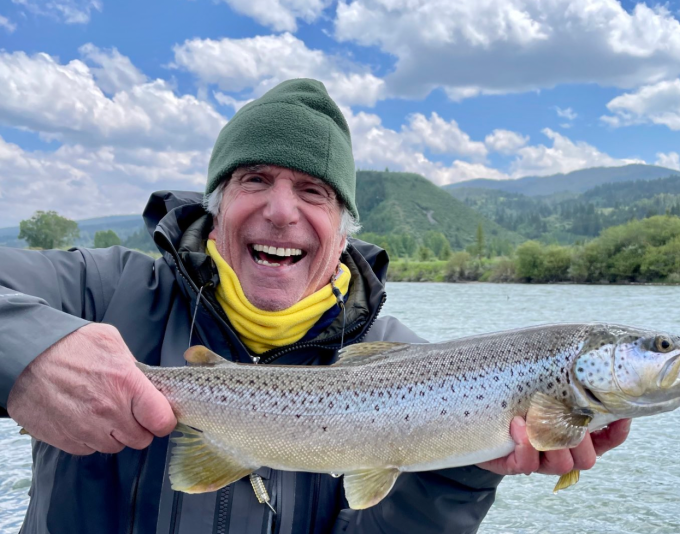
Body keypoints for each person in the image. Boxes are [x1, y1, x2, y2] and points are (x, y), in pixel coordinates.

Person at [0, 78, 630, 534]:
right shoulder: (98, 292)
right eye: (254, 180)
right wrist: (27, 352)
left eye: (312, 190)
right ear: (216, 206)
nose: (281, 211)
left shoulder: (413, 367)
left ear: (342, 228)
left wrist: (459, 468)